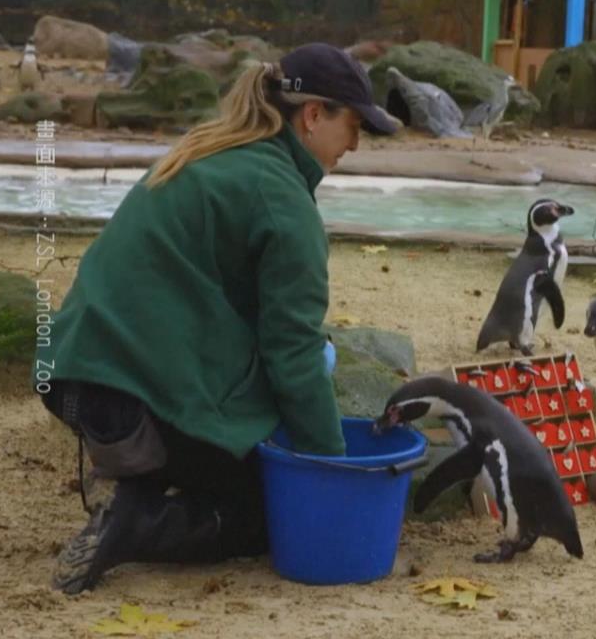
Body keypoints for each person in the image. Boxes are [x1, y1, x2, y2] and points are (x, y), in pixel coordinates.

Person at [37, 43, 397, 594]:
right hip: (129, 400)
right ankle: (138, 522)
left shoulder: (209, 149)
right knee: (263, 509)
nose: (355, 142)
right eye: (354, 125)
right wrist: (330, 472)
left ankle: (134, 470)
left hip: (69, 378)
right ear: (314, 115)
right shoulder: (285, 202)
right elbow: (292, 353)